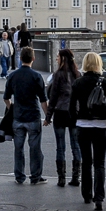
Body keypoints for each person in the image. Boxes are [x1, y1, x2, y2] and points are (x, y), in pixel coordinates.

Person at [70, 52, 106, 211]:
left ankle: (86, 194)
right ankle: (99, 198)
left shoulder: (78, 83)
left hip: (83, 126)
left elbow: (71, 108)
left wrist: (77, 121)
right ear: (98, 64)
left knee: (86, 162)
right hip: (101, 127)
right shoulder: (104, 82)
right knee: (100, 164)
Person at [4, 46, 49, 185]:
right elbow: (42, 100)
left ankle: (19, 176)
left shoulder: (13, 75)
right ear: (33, 59)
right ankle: (35, 176)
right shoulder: (36, 76)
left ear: (21, 58)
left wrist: (12, 108)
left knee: (18, 148)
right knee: (35, 148)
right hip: (33, 116)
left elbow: (6, 97)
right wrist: (47, 116)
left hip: (18, 117)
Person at [44, 48, 81, 187]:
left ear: (63, 59)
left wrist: (48, 117)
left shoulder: (58, 75)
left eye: (58, 57)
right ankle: (76, 177)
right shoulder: (78, 75)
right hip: (74, 113)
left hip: (60, 112)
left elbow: (52, 98)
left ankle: (61, 178)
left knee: (60, 147)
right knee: (75, 146)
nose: (56, 59)